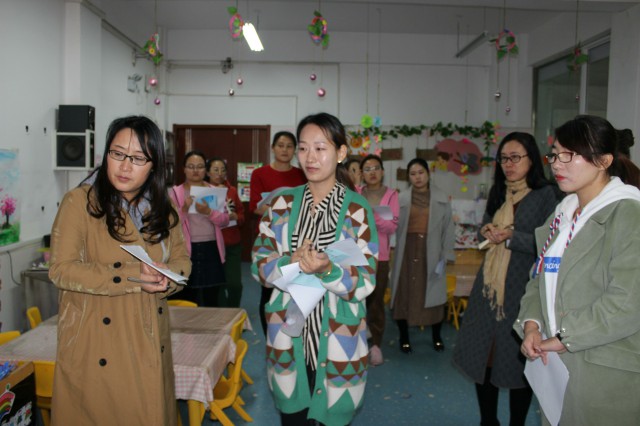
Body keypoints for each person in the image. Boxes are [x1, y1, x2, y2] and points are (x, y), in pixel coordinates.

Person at [48, 115, 191, 425]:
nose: (125, 166)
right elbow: (61, 270)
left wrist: (169, 278)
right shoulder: (79, 203)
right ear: (106, 154)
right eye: (117, 154)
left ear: (154, 164)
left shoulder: (164, 207)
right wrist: (130, 276)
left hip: (150, 336)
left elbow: (182, 259)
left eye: (138, 158)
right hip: (96, 344)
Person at [251, 112, 378, 426]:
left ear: (341, 153)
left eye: (320, 148)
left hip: (338, 342)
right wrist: (291, 262)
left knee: (333, 417)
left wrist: (327, 270)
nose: (310, 157)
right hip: (289, 338)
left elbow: (365, 281)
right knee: (292, 418)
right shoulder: (281, 206)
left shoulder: (356, 211)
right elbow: (258, 265)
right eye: (304, 148)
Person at [516, 115, 640, 425]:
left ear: (603, 160)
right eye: (555, 154)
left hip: (605, 369)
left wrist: (563, 336)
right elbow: (538, 280)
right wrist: (531, 324)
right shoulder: (561, 216)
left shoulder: (628, 214)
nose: (557, 164)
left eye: (568, 155)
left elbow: (627, 303)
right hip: (556, 365)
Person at [452, 132, 562, 426]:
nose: (508, 165)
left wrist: (512, 236)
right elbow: (482, 228)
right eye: (504, 158)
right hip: (487, 293)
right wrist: (487, 231)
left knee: (518, 364)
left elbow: (550, 244)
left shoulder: (547, 195)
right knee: (482, 359)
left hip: (521, 292)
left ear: (532, 160)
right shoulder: (500, 192)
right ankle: (488, 420)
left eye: (516, 158)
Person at [390, 158, 454, 354]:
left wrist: (446, 255)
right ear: (408, 177)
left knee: (433, 294)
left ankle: (436, 336)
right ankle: (404, 337)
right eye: (413, 174)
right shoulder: (399, 199)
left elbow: (448, 230)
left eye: (421, 172)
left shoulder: (442, 199)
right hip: (406, 252)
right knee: (403, 294)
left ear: (428, 173)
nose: (417, 177)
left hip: (432, 251)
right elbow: (391, 226)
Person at [249, 131, 307, 334]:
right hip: (271, 237)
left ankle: (295, 330)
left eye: (290, 146)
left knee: (297, 287)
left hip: (297, 236)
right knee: (269, 288)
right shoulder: (259, 174)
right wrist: (282, 210)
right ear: (273, 148)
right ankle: (269, 334)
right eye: (281, 145)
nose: (285, 150)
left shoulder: (302, 174)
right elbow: (255, 207)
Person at [170, 150, 229, 307]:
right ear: (184, 169)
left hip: (211, 249)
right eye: (191, 166)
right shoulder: (175, 193)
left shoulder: (214, 191)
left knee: (211, 298)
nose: (195, 170)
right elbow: (170, 225)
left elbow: (224, 221)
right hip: (185, 251)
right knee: (188, 297)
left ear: (205, 169)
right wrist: (184, 210)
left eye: (200, 166)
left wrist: (209, 212)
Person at [358, 154, 399, 366]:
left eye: (376, 168)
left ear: (382, 171)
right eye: (367, 168)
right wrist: (376, 218)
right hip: (356, 255)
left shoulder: (391, 195)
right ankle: (358, 342)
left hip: (380, 257)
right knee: (355, 300)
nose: (372, 172)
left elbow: (391, 226)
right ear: (362, 173)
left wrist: (369, 217)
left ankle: (376, 345)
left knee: (375, 303)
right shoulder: (356, 193)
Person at [208, 156, 245, 307]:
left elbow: (242, 216)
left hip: (232, 244)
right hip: (212, 244)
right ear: (208, 172)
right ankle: (222, 318)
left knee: (235, 285)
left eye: (223, 170)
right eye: (215, 170)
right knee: (218, 285)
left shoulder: (232, 191)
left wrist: (236, 216)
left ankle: (233, 314)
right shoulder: (202, 192)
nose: (219, 173)